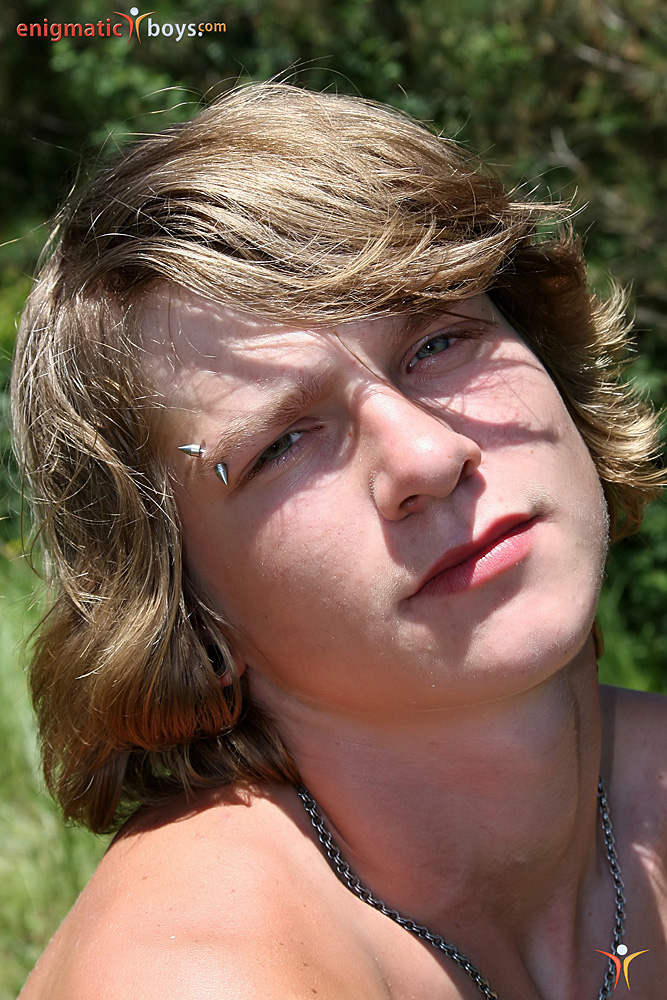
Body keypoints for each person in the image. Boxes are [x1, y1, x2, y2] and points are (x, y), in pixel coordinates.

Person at [12, 82, 666, 1000]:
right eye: (281, 444)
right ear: (187, 610)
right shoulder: (197, 978)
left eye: (438, 344)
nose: (428, 455)